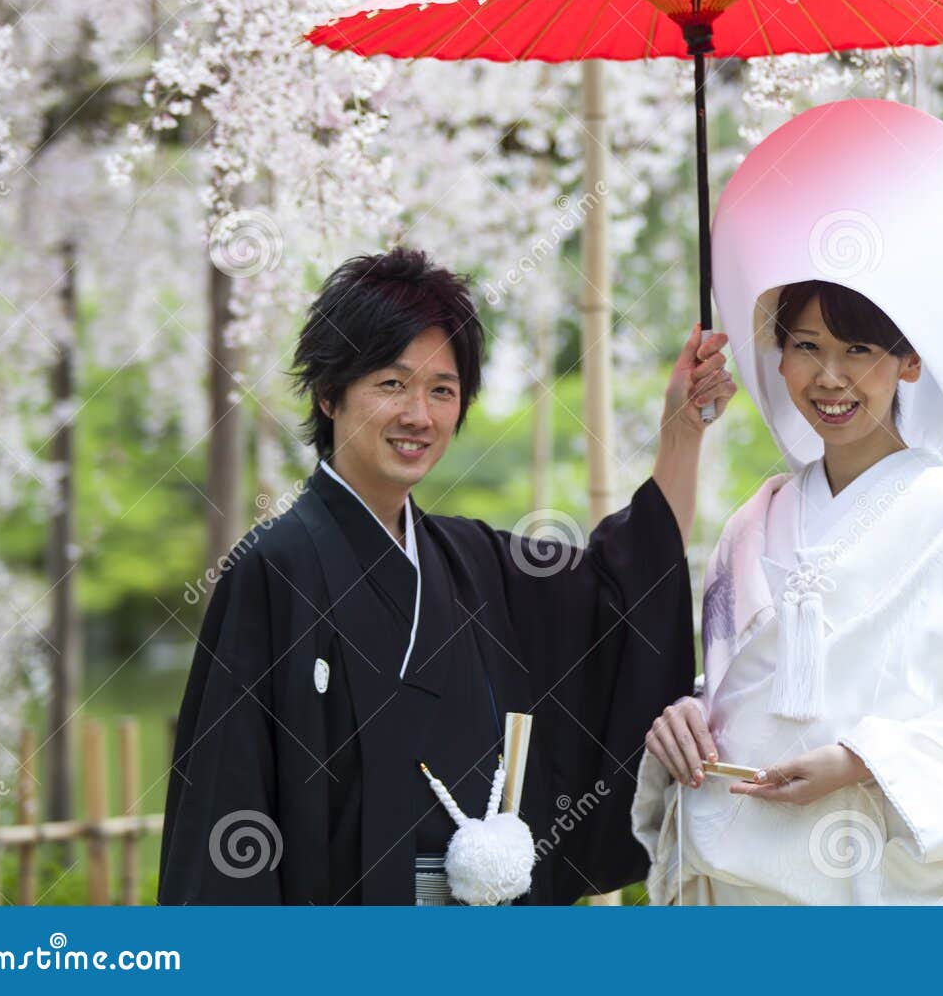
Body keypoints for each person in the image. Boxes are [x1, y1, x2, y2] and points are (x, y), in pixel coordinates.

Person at [159, 247, 735, 904]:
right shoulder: (275, 569)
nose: (419, 415)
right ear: (328, 393)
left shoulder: (470, 559)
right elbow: (228, 801)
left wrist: (682, 431)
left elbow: (620, 590)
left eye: (442, 390)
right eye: (391, 384)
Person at [631, 99, 943, 905]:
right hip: (745, 895)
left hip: (876, 889)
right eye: (805, 347)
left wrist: (865, 760)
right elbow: (734, 697)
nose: (828, 378)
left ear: (908, 362)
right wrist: (685, 720)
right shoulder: (752, 523)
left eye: (858, 351)